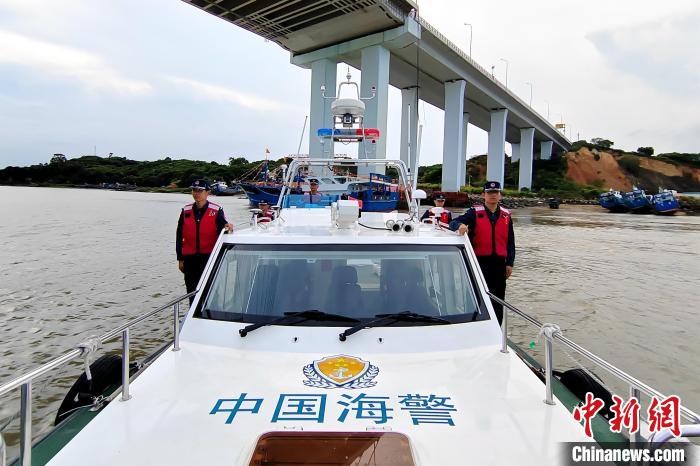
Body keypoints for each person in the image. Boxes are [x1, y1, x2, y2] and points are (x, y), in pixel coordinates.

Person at [449, 181, 515, 325]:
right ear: (483, 195)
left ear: (500, 195)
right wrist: (460, 225)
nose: (493, 195)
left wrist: (510, 263)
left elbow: (510, 241)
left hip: (499, 265)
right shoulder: (474, 212)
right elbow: (453, 222)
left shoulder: (506, 215)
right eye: (489, 193)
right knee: (476, 297)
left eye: (495, 193)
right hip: (479, 263)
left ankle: (497, 329)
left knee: (498, 300)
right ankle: (476, 326)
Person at [176, 179, 233, 300]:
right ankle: (193, 315)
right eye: (194, 190)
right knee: (191, 291)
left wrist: (228, 227)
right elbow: (179, 235)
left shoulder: (216, 210)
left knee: (210, 290)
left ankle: (210, 316)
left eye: (200, 190)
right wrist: (180, 259)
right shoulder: (185, 210)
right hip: (190, 259)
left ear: (208, 192)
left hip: (209, 257)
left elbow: (224, 228)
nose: (196, 193)